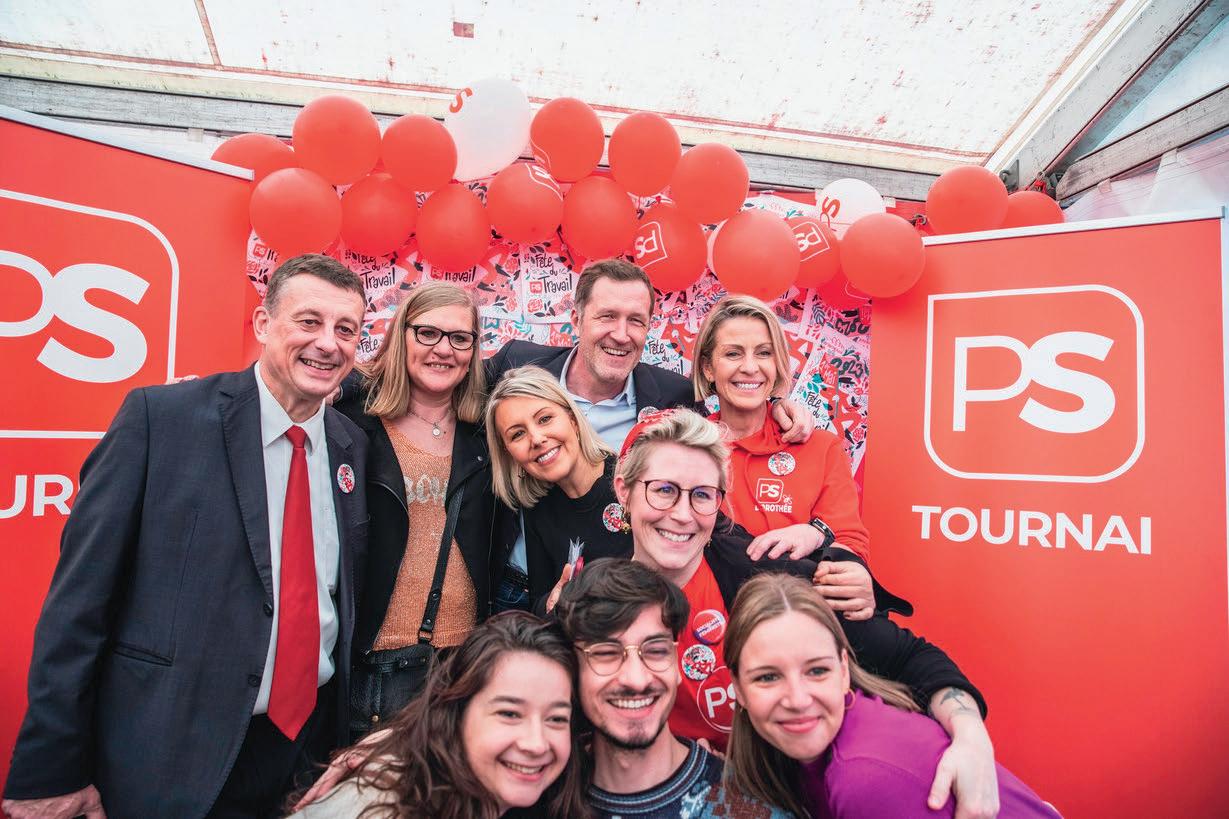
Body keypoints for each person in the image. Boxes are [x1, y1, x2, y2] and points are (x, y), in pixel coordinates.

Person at [3, 254, 370, 819]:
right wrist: (49, 770)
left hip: (304, 756)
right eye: (309, 321)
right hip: (171, 750)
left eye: (345, 329)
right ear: (263, 323)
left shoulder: (351, 445)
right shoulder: (161, 420)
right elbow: (80, 604)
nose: (328, 343)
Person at [602, 408, 999, 812]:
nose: (683, 514)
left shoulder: (765, 578)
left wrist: (970, 736)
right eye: (663, 490)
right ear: (624, 490)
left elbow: (908, 656)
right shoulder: (598, 605)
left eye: (702, 495)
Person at [484, 259, 815, 611]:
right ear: (577, 320)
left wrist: (774, 404)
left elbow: (717, 441)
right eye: (607, 316)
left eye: (636, 321)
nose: (621, 334)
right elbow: (450, 378)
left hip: (606, 597)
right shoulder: (517, 366)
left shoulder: (674, 397)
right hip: (509, 582)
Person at [485, 366, 867, 617]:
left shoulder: (644, 479)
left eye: (545, 419)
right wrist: (552, 604)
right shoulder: (538, 507)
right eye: (517, 434)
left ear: (572, 418)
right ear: (508, 452)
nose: (537, 438)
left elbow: (735, 549)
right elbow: (545, 600)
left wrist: (834, 573)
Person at [725, 574, 1060, 818]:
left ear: (844, 671)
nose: (798, 699)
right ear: (738, 688)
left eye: (817, 671)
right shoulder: (798, 755)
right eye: (768, 677)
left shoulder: (864, 777)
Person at [332, 282, 497, 738]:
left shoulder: (487, 428)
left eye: (460, 338)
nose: (444, 349)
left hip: (467, 661)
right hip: (379, 664)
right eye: (428, 333)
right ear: (400, 334)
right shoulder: (351, 417)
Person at [288, 611, 588, 819]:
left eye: (556, 719)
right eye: (509, 714)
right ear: (457, 711)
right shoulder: (382, 803)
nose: (536, 743)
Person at [693, 295, 885, 620]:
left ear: (778, 363)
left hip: (796, 623)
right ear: (708, 368)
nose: (750, 367)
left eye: (764, 353)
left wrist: (824, 543)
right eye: (733, 353)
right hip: (705, 626)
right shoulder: (687, 448)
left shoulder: (820, 446)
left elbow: (849, 541)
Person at [554, 558, 791, 818]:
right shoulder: (539, 794)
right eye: (606, 653)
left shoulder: (749, 809)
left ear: (677, 663)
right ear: (572, 669)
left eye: (656, 650)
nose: (637, 679)